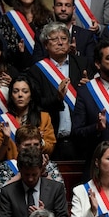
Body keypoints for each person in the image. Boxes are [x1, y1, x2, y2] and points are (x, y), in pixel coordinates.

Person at [29, 21, 90, 157]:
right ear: (45, 45)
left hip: (82, 139)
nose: (60, 42)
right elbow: (36, 104)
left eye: (63, 38)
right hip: (52, 139)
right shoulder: (37, 70)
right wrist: (57, 98)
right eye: (54, 39)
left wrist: (90, 88)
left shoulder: (82, 64)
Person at [0, 125, 65, 197]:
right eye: (27, 145)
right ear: (17, 146)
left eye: (36, 144)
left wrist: (43, 173)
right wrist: (22, 174)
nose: (32, 148)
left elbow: (62, 192)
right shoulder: (7, 166)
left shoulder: (49, 165)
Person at [0, 77, 54, 161]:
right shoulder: (3, 121)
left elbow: (50, 149)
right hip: (13, 168)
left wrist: (40, 141)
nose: (20, 95)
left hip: (35, 167)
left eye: (25, 91)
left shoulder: (43, 117)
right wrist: (6, 140)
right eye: (15, 91)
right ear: (11, 96)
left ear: (31, 95)